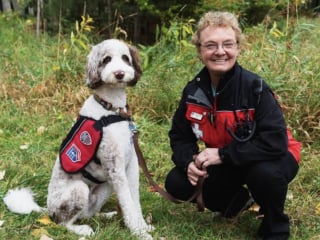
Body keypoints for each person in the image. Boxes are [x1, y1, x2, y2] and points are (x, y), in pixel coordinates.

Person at [164, 11, 302, 240]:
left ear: (238, 47)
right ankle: (238, 203)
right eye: (210, 45)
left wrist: (223, 154)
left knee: (264, 174)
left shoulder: (256, 88)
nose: (220, 52)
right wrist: (188, 161)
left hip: (274, 157)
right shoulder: (192, 92)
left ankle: (274, 225)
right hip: (231, 158)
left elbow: (275, 143)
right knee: (177, 181)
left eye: (227, 44)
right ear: (200, 51)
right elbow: (179, 136)